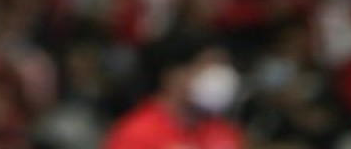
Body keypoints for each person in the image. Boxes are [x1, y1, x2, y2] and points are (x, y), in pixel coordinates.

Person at [101, 34, 245, 149]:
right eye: (206, 67)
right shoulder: (136, 134)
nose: (217, 78)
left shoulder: (223, 132)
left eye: (221, 67)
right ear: (172, 75)